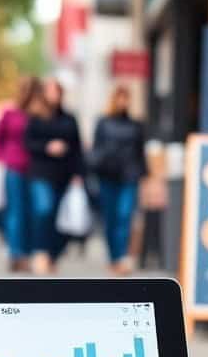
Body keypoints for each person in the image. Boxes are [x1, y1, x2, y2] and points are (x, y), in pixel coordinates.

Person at [24, 78, 84, 275]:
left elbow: (77, 148)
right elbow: (28, 144)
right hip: (41, 172)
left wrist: (78, 174)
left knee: (59, 218)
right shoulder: (36, 117)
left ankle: (52, 255)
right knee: (44, 210)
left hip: (63, 174)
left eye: (57, 92)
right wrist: (47, 147)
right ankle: (39, 252)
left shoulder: (69, 118)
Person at [89, 85, 146, 274]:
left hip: (129, 176)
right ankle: (113, 257)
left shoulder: (135, 124)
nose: (124, 102)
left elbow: (140, 152)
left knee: (125, 216)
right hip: (107, 176)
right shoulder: (103, 122)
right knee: (110, 219)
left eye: (127, 98)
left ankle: (122, 257)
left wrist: (144, 175)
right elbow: (95, 150)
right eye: (121, 97)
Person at [0, 77, 40, 272]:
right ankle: (16, 254)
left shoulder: (38, 115)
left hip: (35, 169)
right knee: (16, 212)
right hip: (14, 167)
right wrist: (0, 158)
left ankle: (27, 252)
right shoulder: (10, 113)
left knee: (32, 212)